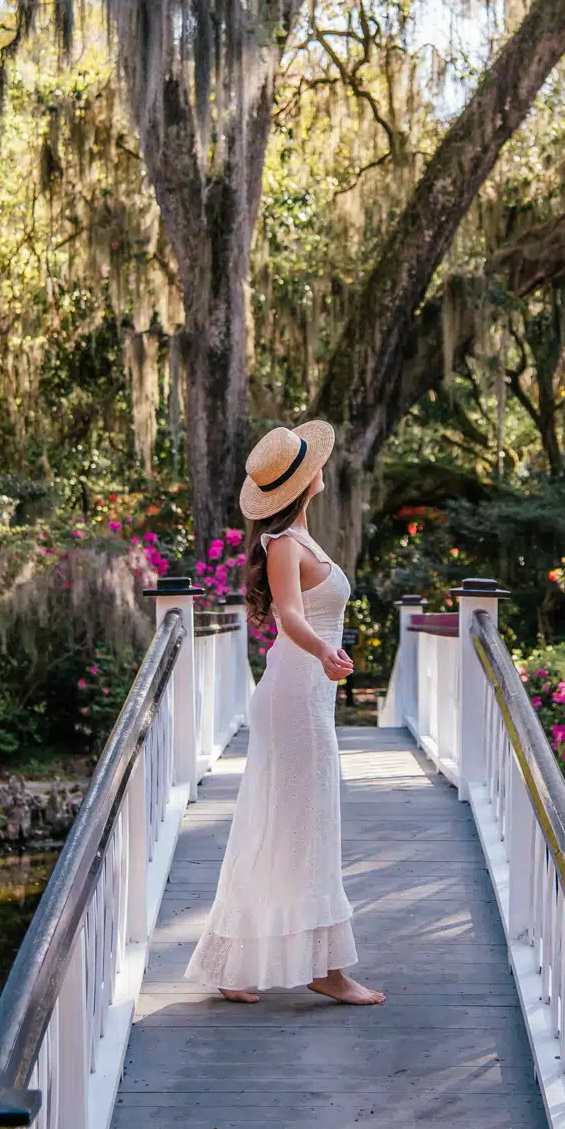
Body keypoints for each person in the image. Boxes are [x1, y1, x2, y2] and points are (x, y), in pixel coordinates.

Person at [184, 421, 385, 1006]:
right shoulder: (285, 546)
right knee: (302, 823)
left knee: (292, 823)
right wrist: (324, 649)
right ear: (304, 482)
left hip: (305, 691)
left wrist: (323, 654)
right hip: (297, 692)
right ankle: (322, 967)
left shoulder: (301, 540)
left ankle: (258, 961)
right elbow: (289, 616)